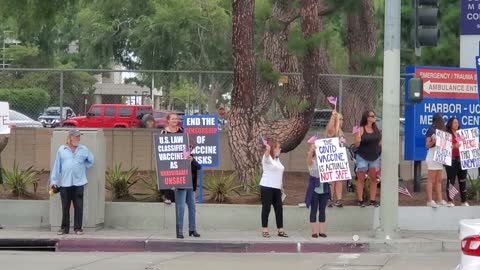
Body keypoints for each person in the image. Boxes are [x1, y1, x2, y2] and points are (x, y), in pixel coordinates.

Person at [50, 129, 94, 235]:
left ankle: (78, 229)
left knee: (79, 206)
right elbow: (57, 166)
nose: (79, 138)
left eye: (79, 136)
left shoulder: (83, 149)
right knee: (65, 206)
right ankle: (64, 228)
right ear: (70, 137)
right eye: (77, 136)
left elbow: (91, 160)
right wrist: (54, 181)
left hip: (79, 182)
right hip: (65, 183)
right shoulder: (62, 149)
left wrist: (83, 167)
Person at [260, 139, 288, 238]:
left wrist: (281, 186)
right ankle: (265, 229)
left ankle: (280, 230)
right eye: (278, 147)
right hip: (267, 186)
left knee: (279, 208)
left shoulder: (277, 160)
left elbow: (279, 173)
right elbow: (267, 156)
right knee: (266, 208)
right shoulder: (267, 159)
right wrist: (267, 150)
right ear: (273, 148)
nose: (280, 149)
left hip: (277, 188)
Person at [354, 110, 382, 207]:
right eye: (372, 116)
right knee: (361, 179)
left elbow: (380, 141)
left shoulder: (376, 129)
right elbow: (357, 144)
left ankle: (372, 200)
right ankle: (360, 200)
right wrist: (357, 138)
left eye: (374, 116)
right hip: (362, 156)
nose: (374, 117)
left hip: (374, 156)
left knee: (374, 178)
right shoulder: (361, 129)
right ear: (367, 117)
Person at [175, 144, 201, 239]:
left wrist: (192, 160)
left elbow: (199, 167)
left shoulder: (192, 158)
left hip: (190, 186)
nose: (190, 148)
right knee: (181, 208)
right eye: (188, 147)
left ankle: (192, 229)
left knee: (192, 207)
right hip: (181, 186)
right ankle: (180, 231)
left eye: (191, 147)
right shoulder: (178, 157)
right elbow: (172, 171)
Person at [305, 143, 330, 238]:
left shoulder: (325, 160)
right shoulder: (311, 161)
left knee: (322, 210)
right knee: (314, 209)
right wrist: (311, 150)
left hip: (324, 189)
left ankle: (321, 231)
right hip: (315, 189)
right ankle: (314, 232)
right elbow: (308, 160)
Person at [425, 113, 448, 208]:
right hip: (432, 154)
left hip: (440, 155)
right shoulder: (431, 130)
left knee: (439, 179)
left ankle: (439, 199)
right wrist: (434, 141)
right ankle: (429, 200)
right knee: (431, 179)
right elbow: (427, 145)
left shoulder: (442, 130)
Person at [445, 117, 469, 207]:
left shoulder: (461, 134)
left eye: (457, 123)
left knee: (462, 180)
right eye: (455, 123)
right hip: (452, 160)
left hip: (462, 160)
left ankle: (464, 201)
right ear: (450, 124)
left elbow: (467, 144)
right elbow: (445, 147)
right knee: (451, 181)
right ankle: (450, 200)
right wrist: (454, 146)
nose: (456, 124)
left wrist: (474, 144)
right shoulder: (447, 134)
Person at [160, 112, 183, 204]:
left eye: (176, 119)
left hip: (180, 160)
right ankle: (168, 197)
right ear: (168, 121)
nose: (175, 120)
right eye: (173, 119)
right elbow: (160, 147)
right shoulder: (164, 132)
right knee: (168, 178)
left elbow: (186, 144)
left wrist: (185, 157)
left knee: (179, 179)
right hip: (167, 159)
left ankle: (179, 198)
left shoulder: (182, 131)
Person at [326, 110, 345, 208]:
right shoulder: (333, 130)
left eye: (342, 119)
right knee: (332, 179)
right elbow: (329, 129)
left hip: (339, 159)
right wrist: (333, 117)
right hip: (332, 158)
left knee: (339, 179)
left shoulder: (341, 131)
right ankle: (330, 198)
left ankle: (338, 199)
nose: (342, 121)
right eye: (340, 119)